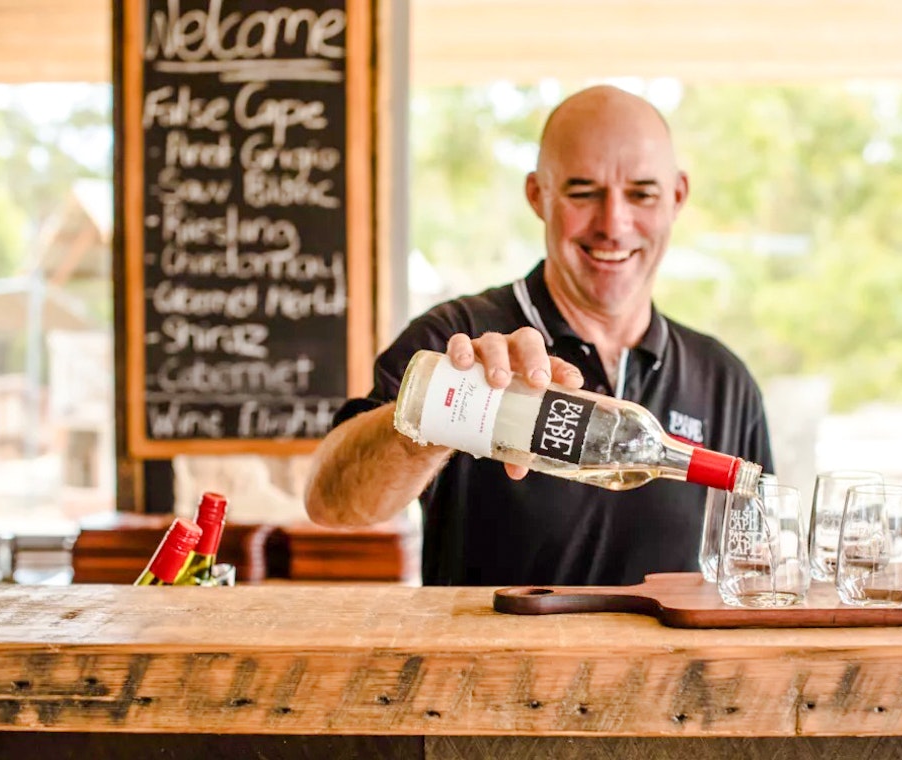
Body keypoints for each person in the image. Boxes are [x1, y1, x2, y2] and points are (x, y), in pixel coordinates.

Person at [305, 85, 774, 586]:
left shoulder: (722, 379)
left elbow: (757, 568)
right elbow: (331, 503)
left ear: (677, 196)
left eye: (641, 194)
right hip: (489, 667)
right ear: (537, 195)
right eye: (582, 192)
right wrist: (444, 410)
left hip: (667, 668)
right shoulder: (456, 340)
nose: (614, 224)